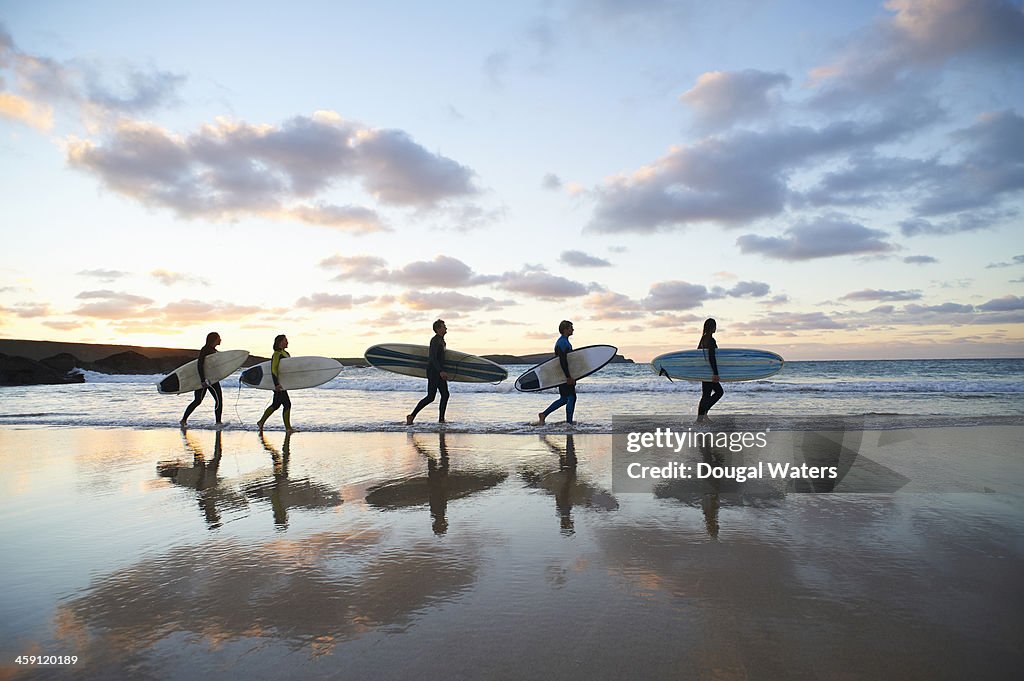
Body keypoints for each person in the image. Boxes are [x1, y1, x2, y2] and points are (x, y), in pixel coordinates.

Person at [407, 320, 449, 424]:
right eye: (444, 326)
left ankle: (441, 420)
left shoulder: (442, 341)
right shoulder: (435, 340)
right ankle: (411, 416)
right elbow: (433, 358)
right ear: (438, 329)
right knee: (431, 397)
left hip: (438, 371)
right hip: (434, 372)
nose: (446, 328)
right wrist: (440, 371)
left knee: (445, 394)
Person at [180, 331, 224, 429]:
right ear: (214, 339)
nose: (220, 340)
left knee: (198, 400)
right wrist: (203, 380)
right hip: (208, 380)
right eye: (219, 338)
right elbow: (200, 364)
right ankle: (218, 423)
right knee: (218, 400)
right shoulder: (206, 350)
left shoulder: (213, 350)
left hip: (208, 379)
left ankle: (183, 420)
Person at [537, 320, 576, 425]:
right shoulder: (563, 343)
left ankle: (544, 414)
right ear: (565, 329)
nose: (573, 329)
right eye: (570, 327)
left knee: (564, 398)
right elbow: (563, 361)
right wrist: (568, 377)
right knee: (572, 397)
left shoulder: (563, 341)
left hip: (561, 374)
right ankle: (569, 423)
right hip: (564, 374)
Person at [257, 335, 296, 433]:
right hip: (278, 384)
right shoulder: (277, 354)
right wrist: (276, 384)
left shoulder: (286, 353)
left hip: (283, 383)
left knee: (276, 405)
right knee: (287, 404)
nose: (287, 342)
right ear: (280, 342)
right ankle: (288, 428)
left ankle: (261, 422)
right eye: (285, 340)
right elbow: (274, 369)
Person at [697, 318, 724, 422]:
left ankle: (701, 418)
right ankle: (702, 415)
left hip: (705, 372)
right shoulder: (711, 340)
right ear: (712, 327)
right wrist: (715, 373)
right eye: (714, 326)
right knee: (719, 392)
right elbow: (712, 357)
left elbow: (698, 356)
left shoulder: (703, 339)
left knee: (706, 395)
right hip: (710, 372)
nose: (715, 328)